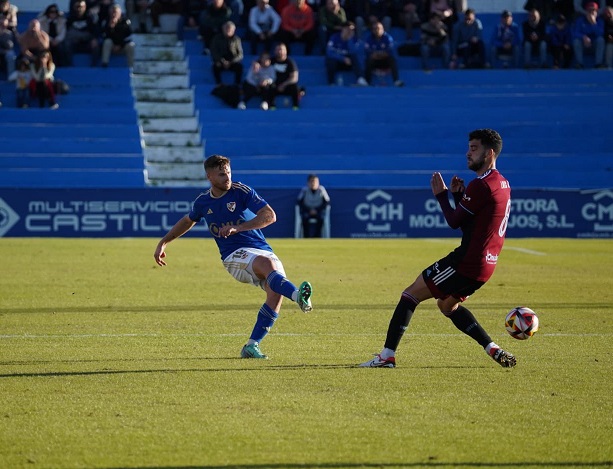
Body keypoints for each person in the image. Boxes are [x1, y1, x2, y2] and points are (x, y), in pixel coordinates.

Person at [359, 128, 516, 369]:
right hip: (487, 265)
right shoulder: (502, 183)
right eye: (468, 148)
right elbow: (472, 226)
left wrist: (442, 196)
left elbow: (454, 222)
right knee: (447, 306)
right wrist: (458, 197)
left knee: (410, 294)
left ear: (490, 152)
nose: (468, 153)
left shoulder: (481, 185)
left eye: (474, 148)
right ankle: (492, 348)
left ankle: (387, 356)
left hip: (467, 261)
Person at [153, 154, 314, 360]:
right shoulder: (203, 202)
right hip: (233, 256)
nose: (227, 177)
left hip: (261, 249)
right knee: (267, 266)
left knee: (275, 291)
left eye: (228, 172)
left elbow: (269, 216)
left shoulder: (241, 191)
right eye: (221, 174)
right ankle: (299, 296)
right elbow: (188, 220)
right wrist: (163, 242)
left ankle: (251, 346)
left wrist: (238, 227)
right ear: (209, 176)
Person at [325, 21, 368, 85]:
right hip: (338, 62)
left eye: (352, 30)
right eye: (348, 29)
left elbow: (355, 52)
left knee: (355, 57)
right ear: (343, 29)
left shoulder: (355, 40)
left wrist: (349, 40)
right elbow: (329, 52)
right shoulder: (334, 37)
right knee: (330, 60)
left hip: (349, 64)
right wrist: (343, 58)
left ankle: (360, 79)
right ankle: (331, 82)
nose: (349, 31)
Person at [363, 20, 404, 86]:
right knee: (368, 60)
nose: (376, 30)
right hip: (374, 62)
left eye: (378, 28)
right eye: (374, 28)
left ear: (382, 29)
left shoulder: (387, 38)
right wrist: (379, 54)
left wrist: (379, 54)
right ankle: (367, 81)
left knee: (392, 59)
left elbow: (389, 52)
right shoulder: (369, 38)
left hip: (385, 61)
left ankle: (396, 81)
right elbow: (368, 52)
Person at [266, 42, 303, 110]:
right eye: (277, 49)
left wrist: (284, 85)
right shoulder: (271, 61)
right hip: (275, 85)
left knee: (294, 87)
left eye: (281, 49)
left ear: (285, 51)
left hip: (286, 85)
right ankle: (272, 106)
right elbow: (261, 63)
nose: (279, 51)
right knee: (269, 87)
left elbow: (295, 78)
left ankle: (295, 106)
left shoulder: (290, 62)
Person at [99, 3, 135, 68]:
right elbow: (103, 36)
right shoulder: (106, 22)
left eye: (115, 12)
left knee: (130, 46)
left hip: (122, 47)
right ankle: (105, 63)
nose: (114, 14)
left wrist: (120, 45)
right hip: (112, 47)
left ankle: (130, 67)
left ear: (120, 13)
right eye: (112, 12)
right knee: (107, 42)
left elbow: (129, 37)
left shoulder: (126, 22)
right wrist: (110, 27)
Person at [65, 0, 100, 66]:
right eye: (77, 7)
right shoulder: (70, 19)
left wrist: (93, 38)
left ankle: (94, 66)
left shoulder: (90, 18)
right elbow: (68, 34)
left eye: (82, 7)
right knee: (66, 44)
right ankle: (68, 65)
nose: (79, 9)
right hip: (75, 43)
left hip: (86, 43)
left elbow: (95, 31)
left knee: (96, 44)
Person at [572, 1, 605, 68]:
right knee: (576, 41)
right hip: (583, 45)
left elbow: (601, 33)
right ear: (586, 11)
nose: (591, 12)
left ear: (597, 11)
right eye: (589, 10)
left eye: (593, 10)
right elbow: (575, 33)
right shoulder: (580, 20)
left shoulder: (600, 21)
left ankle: (598, 64)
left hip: (594, 45)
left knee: (601, 40)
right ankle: (580, 64)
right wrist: (583, 37)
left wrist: (593, 23)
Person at [297, 174, 331, 238]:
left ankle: (317, 237)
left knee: (320, 219)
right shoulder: (305, 190)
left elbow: (327, 202)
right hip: (307, 211)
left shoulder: (321, 190)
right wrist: (309, 210)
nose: (313, 183)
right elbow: (299, 202)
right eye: (311, 181)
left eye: (315, 181)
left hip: (318, 211)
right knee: (304, 219)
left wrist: (317, 210)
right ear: (308, 183)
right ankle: (306, 237)